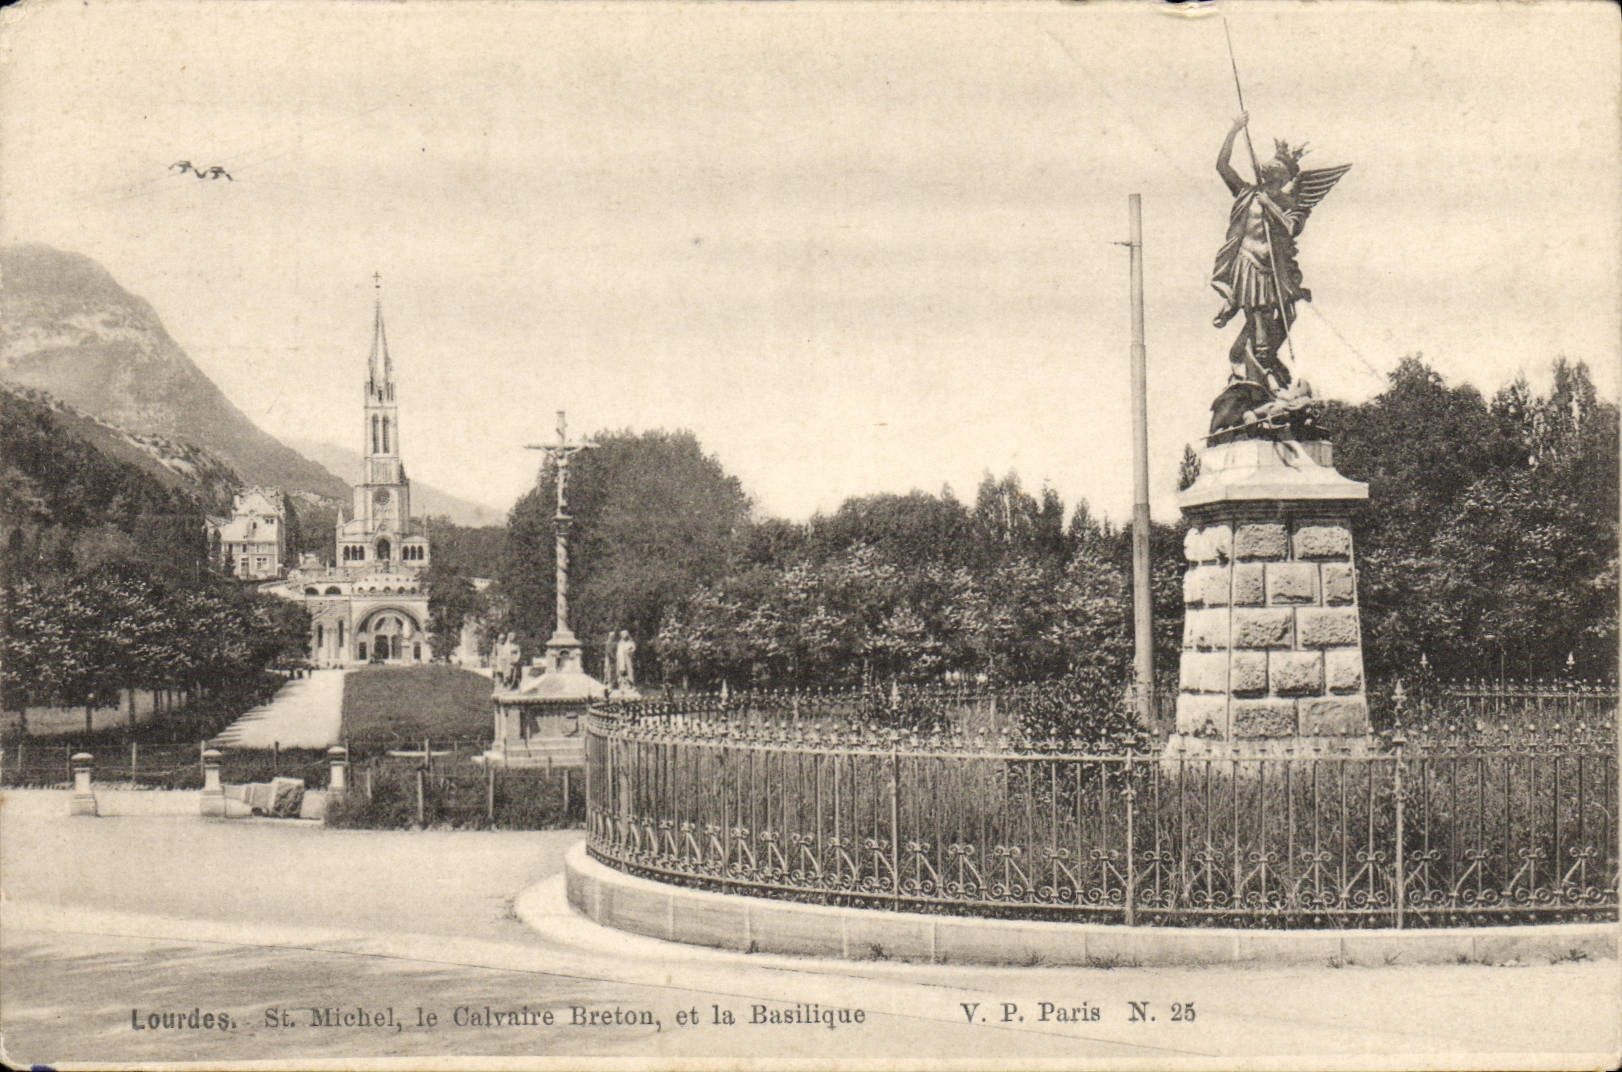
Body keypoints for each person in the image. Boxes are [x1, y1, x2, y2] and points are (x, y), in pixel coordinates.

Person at [1211, 112, 1350, 398]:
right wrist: (1234, 130)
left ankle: (1250, 365)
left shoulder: (1291, 202)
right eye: (1269, 165)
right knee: (1259, 321)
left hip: (1274, 271)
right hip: (1248, 266)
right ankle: (1267, 382)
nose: (1267, 168)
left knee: (1284, 315)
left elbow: (1291, 228)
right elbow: (1222, 166)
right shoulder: (1246, 192)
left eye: (1275, 167)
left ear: (1285, 176)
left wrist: (1270, 205)